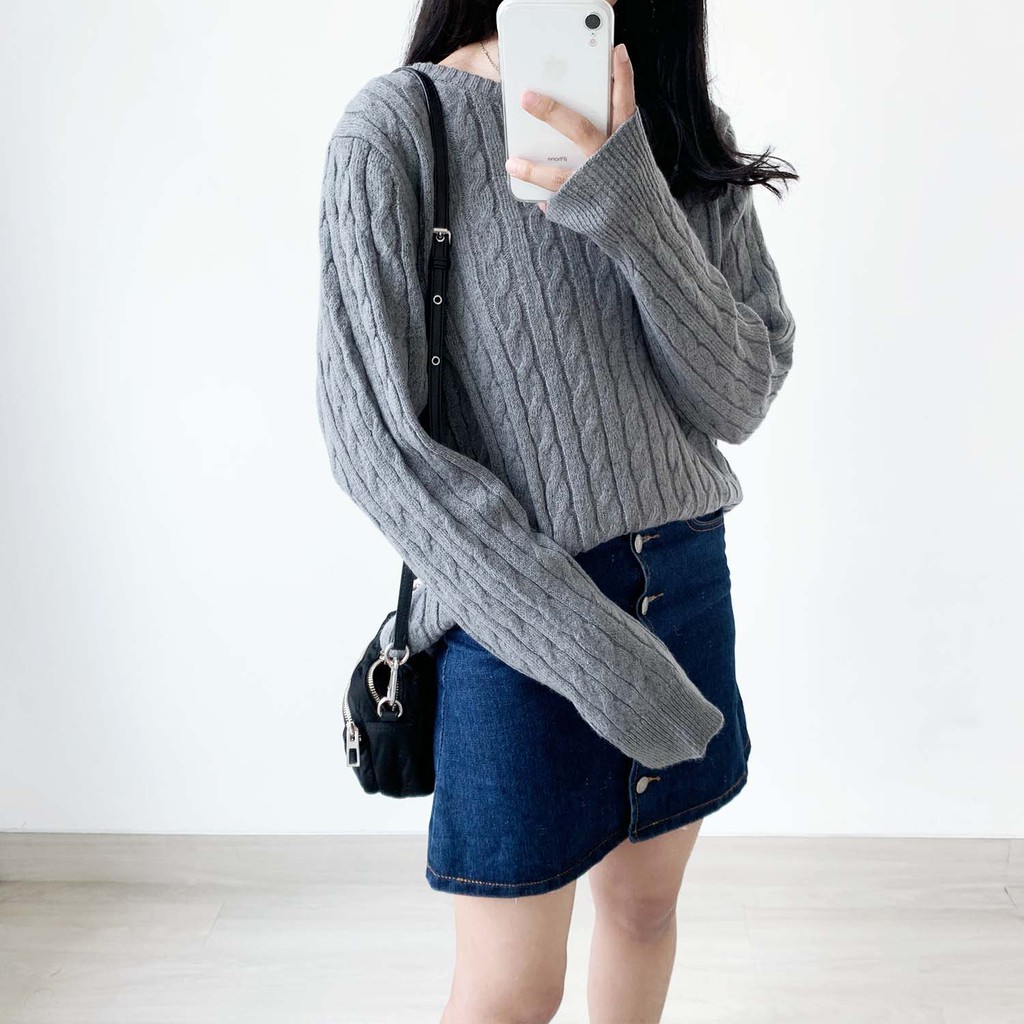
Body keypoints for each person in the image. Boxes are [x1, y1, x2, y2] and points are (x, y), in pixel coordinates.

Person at [315, 1, 797, 1020]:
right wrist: (595, 656)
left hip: (681, 582)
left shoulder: (670, 116)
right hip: (512, 620)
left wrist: (631, 203)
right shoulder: (396, 129)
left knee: (644, 913)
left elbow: (737, 397)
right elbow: (378, 448)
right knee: (511, 988)